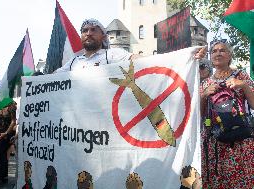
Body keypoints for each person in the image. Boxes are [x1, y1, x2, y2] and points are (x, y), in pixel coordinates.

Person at [55, 18, 207, 73]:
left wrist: (185, 57)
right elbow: (51, 78)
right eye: (84, 30)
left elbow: (145, 60)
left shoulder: (112, 55)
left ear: (103, 36)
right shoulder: (74, 62)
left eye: (93, 30)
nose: (88, 33)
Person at [200, 41, 254, 188]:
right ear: (211, 57)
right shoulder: (206, 83)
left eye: (222, 50)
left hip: (239, 138)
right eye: (214, 51)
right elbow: (200, 114)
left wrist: (243, 85)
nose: (218, 53)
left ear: (230, 55)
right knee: (218, 182)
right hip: (214, 140)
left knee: (240, 181)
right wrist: (204, 94)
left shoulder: (241, 75)